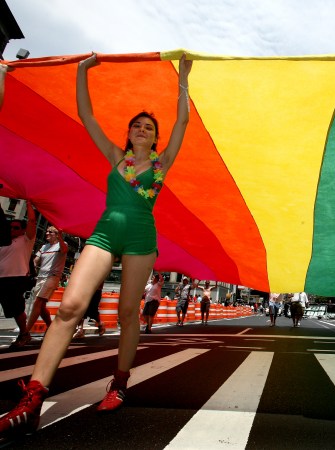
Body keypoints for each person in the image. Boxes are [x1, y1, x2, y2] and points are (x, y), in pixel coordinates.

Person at [0, 52, 192, 439]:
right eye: (136, 125)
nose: (142, 130)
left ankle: (118, 384)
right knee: (70, 306)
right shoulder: (116, 158)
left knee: (126, 313)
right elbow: (86, 116)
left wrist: (184, 78)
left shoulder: (161, 163)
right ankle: (32, 400)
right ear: (129, 133)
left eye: (148, 127)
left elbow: (183, 120)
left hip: (141, 238)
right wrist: (81, 72)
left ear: (156, 138)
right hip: (104, 234)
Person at [0, 201, 36, 348]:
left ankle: (24, 333)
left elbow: (32, 221)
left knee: (16, 309)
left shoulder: (26, 240)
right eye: (10, 227)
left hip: (16, 278)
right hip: (1, 278)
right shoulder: (3, 241)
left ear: (23, 230)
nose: (12, 230)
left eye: (16, 227)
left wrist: (28, 202)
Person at [26, 225, 68, 334]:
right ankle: (51, 327)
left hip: (52, 277)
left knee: (38, 303)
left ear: (57, 235)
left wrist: (61, 237)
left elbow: (64, 249)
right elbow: (36, 261)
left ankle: (25, 332)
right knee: (41, 306)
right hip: (40, 277)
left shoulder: (61, 245)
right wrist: (32, 268)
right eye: (47, 232)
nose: (47, 233)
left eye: (50, 232)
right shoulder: (44, 247)